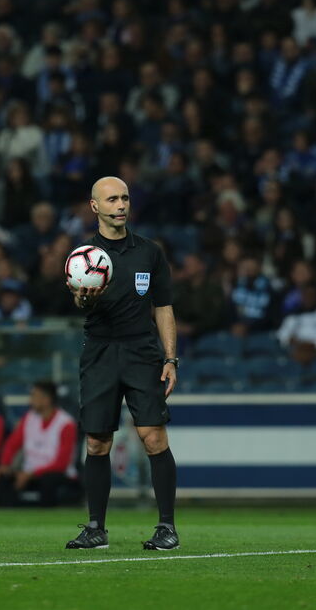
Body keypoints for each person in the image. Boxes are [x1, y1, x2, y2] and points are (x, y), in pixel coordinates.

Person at [63, 176, 179, 551]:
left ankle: (166, 527)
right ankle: (96, 528)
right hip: (99, 351)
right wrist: (84, 298)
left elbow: (163, 308)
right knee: (97, 442)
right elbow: (79, 305)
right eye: (112, 199)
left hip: (142, 350)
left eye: (125, 197)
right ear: (95, 206)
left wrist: (171, 358)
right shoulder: (83, 257)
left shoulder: (149, 252)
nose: (121, 204)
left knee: (153, 436)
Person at [0, 381, 78, 506]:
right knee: (2, 477)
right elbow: (11, 445)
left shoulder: (66, 424)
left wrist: (31, 474)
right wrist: (5, 465)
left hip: (57, 474)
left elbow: (61, 463)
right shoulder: (29, 418)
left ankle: (48, 518)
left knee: (49, 480)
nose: (30, 400)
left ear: (46, 399)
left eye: (34, 396)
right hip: (28, 473)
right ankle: (7, 517)